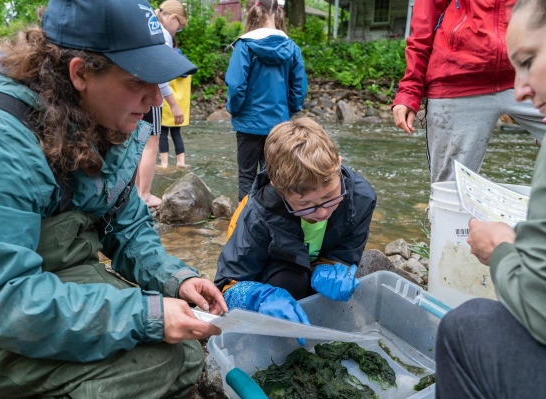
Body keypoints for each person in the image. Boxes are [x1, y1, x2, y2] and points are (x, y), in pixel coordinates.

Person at [0, 0, 228, 397]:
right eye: (138, 81)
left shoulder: (104, 117)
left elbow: (124, 222)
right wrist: (145, 316)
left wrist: (177, 280)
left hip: (41, 278)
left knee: (184, 353)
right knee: (156, 364)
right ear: (79, 73)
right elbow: (0, 300)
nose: (157, 99)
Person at [435, 0, 546, 397]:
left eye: (529, 60)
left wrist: (501, 249)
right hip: (459, 78)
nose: (518, 92)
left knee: (463, 324)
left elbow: (540, 308)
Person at [215, 117, 376, 342]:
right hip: (272, 268)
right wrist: (259, 298)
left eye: (330, 197)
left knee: (334, 295)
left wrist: (330, 267)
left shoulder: (360, 199)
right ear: (278, 189)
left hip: (307, 259)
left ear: (338, 165)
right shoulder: (257, 216)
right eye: (305, 205)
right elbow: (226, 285)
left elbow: (344, 253)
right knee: (291, 283)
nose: (321, 213)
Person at [392, 0, 546, 183]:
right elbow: (423, 26)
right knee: (449, 189)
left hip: (528, 70)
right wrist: (410, 89)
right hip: (456, 77)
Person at [225, 0, 308, 202]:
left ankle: (244, 225)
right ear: (276, 12)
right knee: (274, 176)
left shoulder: (244, 45)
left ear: (256, 10)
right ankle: (271, 222)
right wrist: (288, 113)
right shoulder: (292, 47)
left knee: (247, 175)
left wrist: (234, 110)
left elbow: (236, 86)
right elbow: (299, 89)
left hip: (249, 124)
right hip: (279, 125)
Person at [136, 0, 188, 205]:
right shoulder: (163, 35)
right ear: (173, 18)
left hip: (136, 93)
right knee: (151, 144)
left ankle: (135, 193)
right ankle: (145, 194)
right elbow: (162, 75)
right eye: (180, 27)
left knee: (138, 144)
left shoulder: (146, 26)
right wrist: (174, 105)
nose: (178, 32)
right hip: (151, 95)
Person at [160, 47, 192, 168]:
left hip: (167, 106)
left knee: (163, 134)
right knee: (176, 134)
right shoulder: (188, 71)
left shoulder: (167, 70)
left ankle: (164, 163)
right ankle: (181, 162)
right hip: (180, 108)